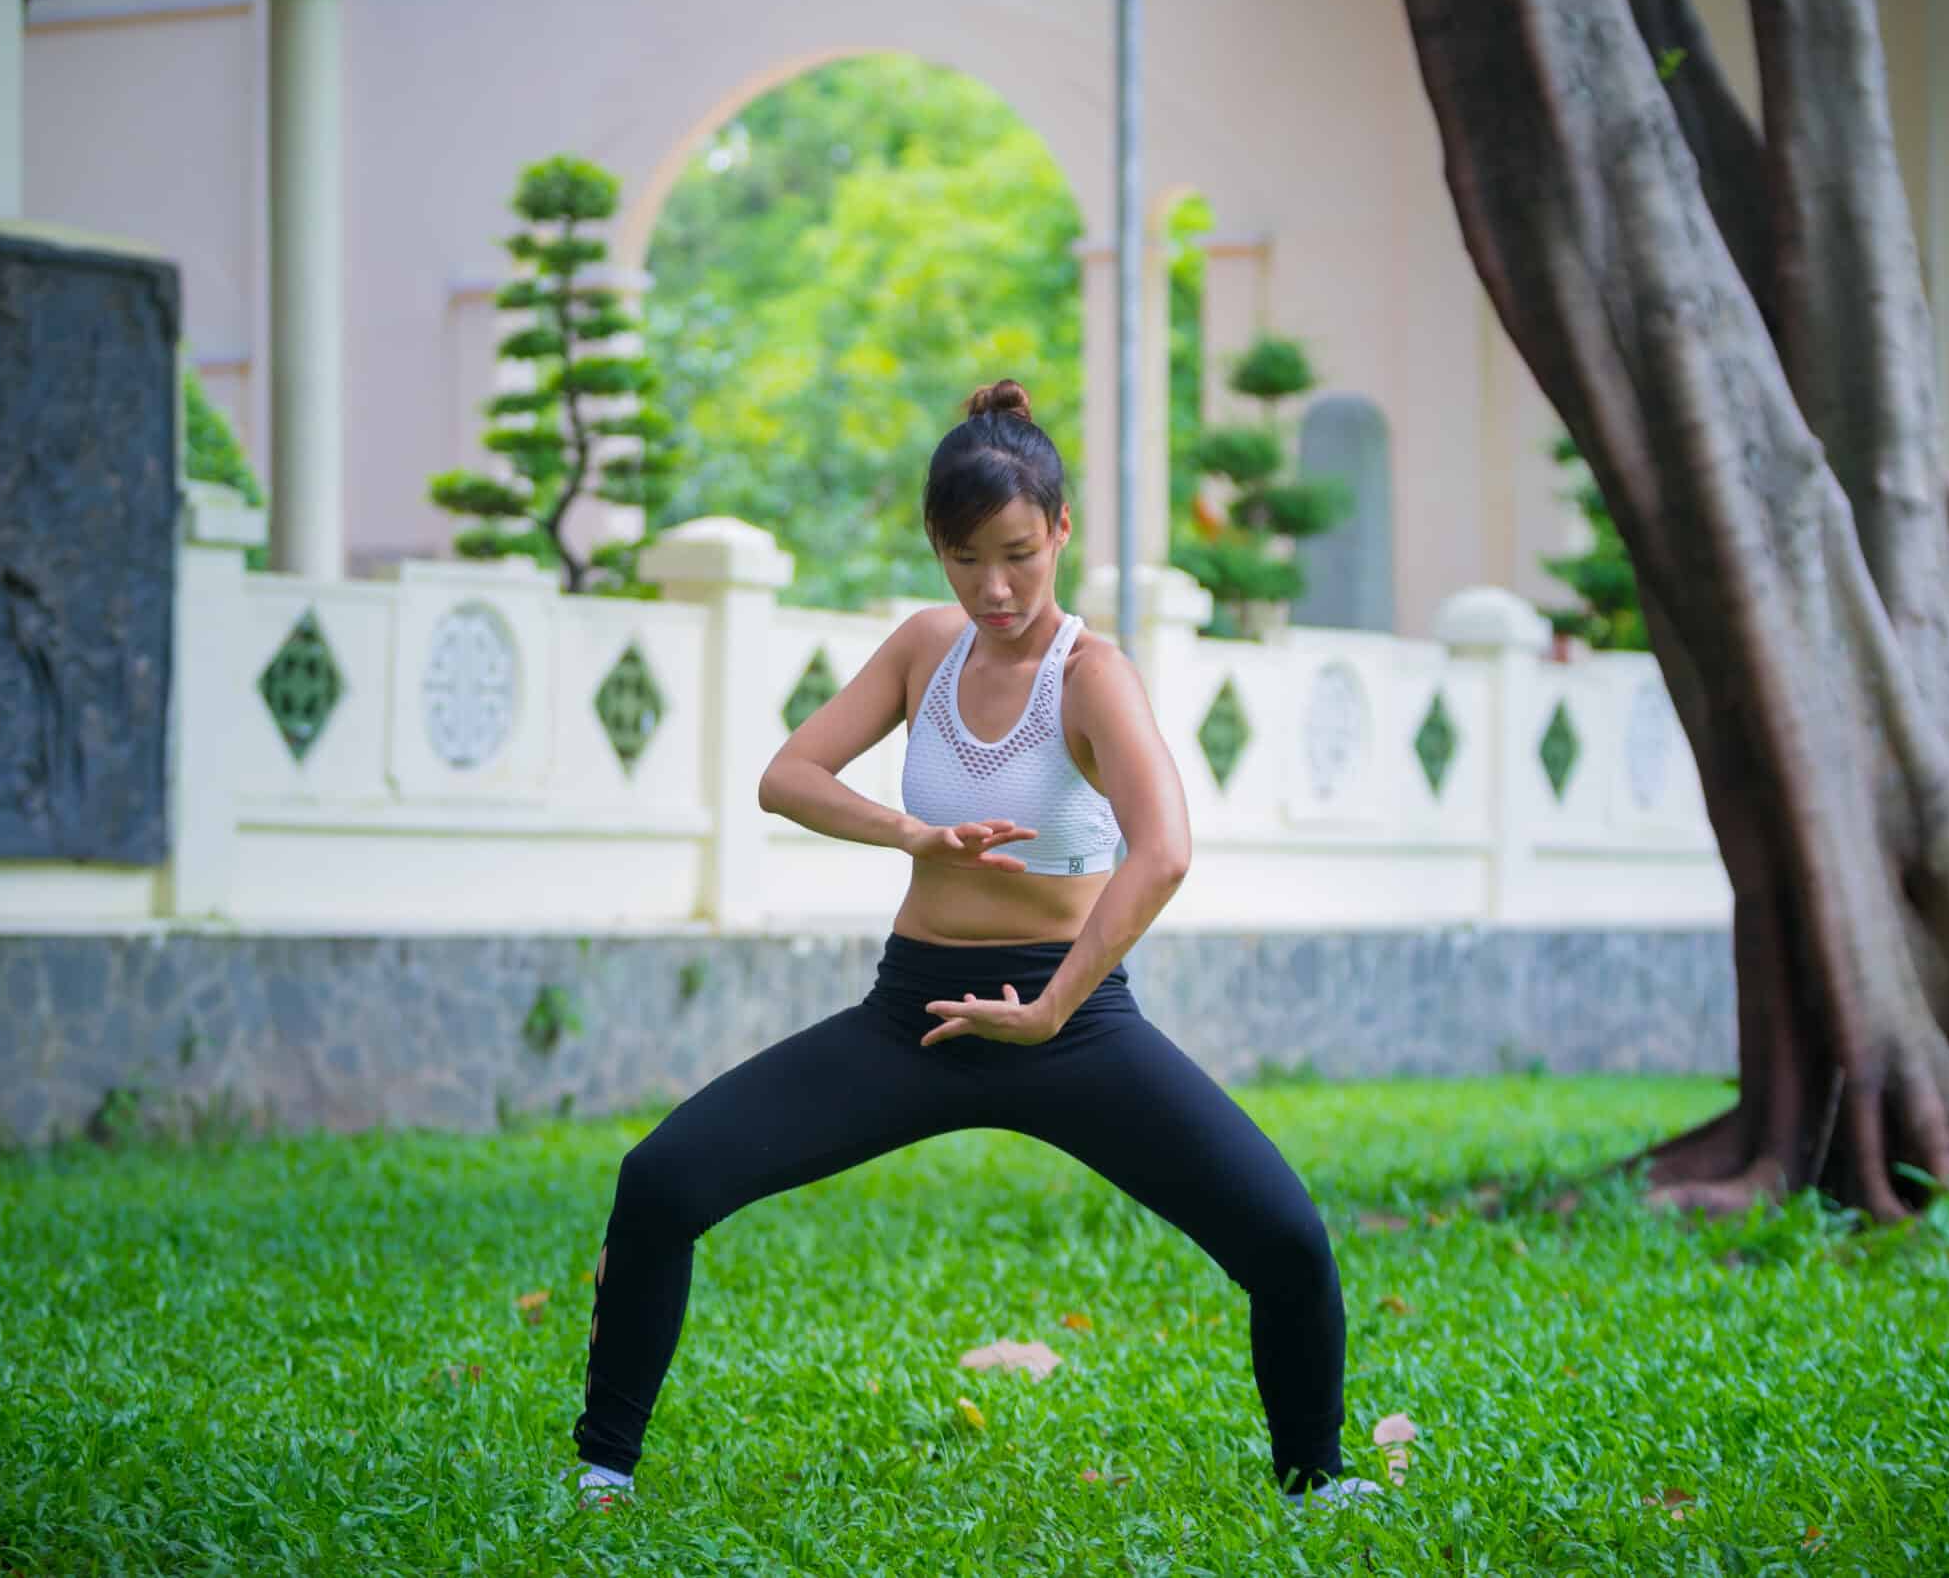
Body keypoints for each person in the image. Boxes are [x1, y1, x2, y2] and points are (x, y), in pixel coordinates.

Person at [569, 378, 1373, 1509]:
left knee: (1285, 1239)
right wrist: (915, 833)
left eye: (1015, 554)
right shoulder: (924, 650)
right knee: (660, 1178)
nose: (992, 588)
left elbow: (1164, 851)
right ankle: (602, 1465)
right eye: (961, 557)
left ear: (1060, 530)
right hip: (914, 1019)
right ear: (935, 548)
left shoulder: (1092, 678)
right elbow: (785, 776)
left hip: (1071, 1022)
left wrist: (1048, 1011)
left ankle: (1317, 1481)